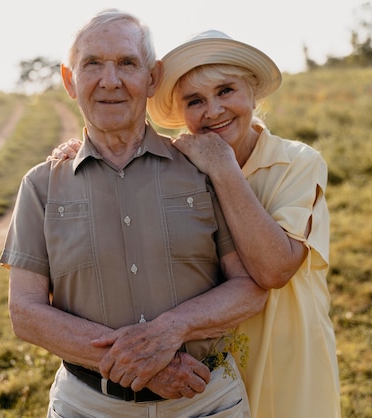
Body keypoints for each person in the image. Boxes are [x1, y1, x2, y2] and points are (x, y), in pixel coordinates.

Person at [53, 30, 341, 417]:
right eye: (195, 101)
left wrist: (222, 166)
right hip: (203, 377)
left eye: (226, 91)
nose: (213, 111)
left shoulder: (297, 163)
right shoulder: (179, 166)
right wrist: (83, 153)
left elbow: (274, 269)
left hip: (284, 357)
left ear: (252, 93)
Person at [0, 9, 265, 418]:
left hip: (206, 401)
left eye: (127, 63)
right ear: (70, 80)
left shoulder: (203, 170)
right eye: (92, 64)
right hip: (87, 406)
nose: (110, 80)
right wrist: (142, 366)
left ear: (152, 78)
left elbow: (249, 286)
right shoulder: (40, 186)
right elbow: (26, 314)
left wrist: (168, 331)